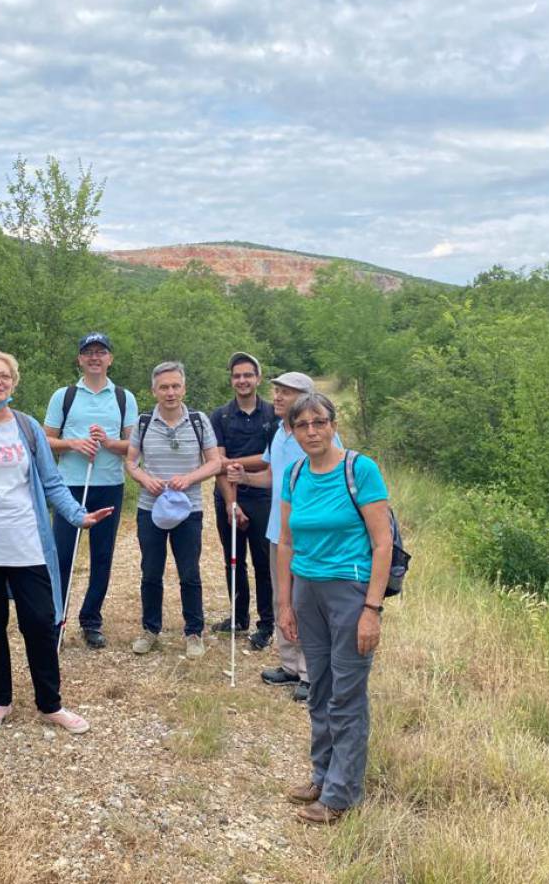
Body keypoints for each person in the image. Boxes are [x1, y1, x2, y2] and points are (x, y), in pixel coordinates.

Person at [0, 348, 114, 735]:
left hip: (28, 545)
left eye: (4, 376)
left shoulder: (28, 427)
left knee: (40, 624)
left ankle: (51, 704)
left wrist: (78, 516)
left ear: (14, 382)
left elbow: (52, 483)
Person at [277, 392, 391, 824]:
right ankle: (322, 776)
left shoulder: (359, 470)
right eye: (302, 425)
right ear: (292, 430)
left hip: (350, 590)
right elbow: (287, 542)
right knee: (319, 687)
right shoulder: (294, 474)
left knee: (347, 693)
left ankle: (341, 795)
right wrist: (285, 603)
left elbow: (381, 543)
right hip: (307, 590)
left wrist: (371, 609)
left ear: (333, 423)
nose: (312, 431)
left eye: (319, 422)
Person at [226, 372, 331, 701]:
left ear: (305, 397)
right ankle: (289, 665)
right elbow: (272, 477)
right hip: (278, 532)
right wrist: (245, 476)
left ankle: (310, 672)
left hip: (308, 535)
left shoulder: (318, 435)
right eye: (277, 391)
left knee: (306, 604)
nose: (278, 398)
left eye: (286, 393)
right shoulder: (279, 433)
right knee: (281, 598)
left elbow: (331, 477)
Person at [42, 333, 139, 649]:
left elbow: (134, 446)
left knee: (101, 557)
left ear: (110, 358)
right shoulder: (64, 396)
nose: (95, 357)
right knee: (63, 557)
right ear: (80, 359)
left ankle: (91, 621)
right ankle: (56, 619)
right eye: (88, 352)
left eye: (101, 352)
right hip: (68, 487)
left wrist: (109, 443)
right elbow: (45, 440)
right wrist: (74, 443)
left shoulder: (124, 398)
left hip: (109, 486)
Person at [125, 361, 222, 658]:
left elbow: (215, 462)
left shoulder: (198, 421)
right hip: (150, 508)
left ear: (184, 388)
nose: (170, 392)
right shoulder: (143, 423)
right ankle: (150, 630)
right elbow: (130, 462)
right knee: (151, 571)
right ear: (154, 391)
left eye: (175, 386)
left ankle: (194, 632)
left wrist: (190, 478)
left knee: (189, 572)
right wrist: (145, 479)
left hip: (188, 510)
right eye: (164, 387)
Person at [209, 352, 277, 649]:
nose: (242, 380)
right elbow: (216, 465)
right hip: (228, 494)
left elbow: (271, 461)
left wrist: (233, 462)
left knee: (264, 562)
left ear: (258, 378)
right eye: (237, 375)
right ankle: (238, 618)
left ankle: (266, 624)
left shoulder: (274, 415)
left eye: (248, 375)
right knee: (233, 559)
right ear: (231, 379)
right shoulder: (219, 416)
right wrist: (230, 503)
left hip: (263, 495)